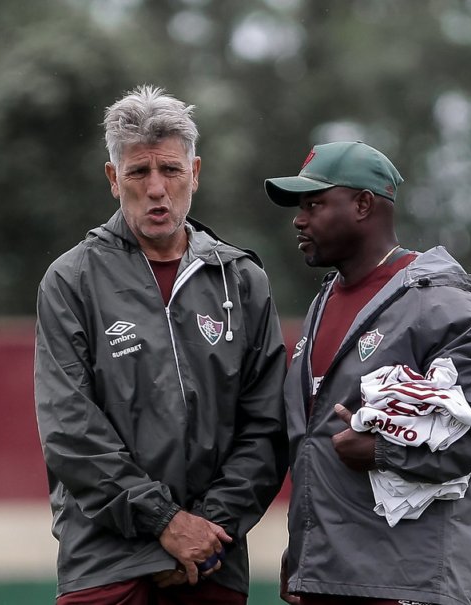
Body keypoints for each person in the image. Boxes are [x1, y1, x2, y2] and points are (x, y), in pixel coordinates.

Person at [34, 85, 288, 604]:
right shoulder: (70, 280)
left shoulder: (240, 281)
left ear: (195, 172)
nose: (157, 189)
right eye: (138, 172)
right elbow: (71, 432)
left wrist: (205, 533)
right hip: (105, 563)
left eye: (171, 171)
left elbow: (266, 426)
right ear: (113, 179)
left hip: (212, 561)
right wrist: (164, 524)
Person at [264, 141, 471, 605]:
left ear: (363, 204)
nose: (299, 220)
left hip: (407, 582)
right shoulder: (326, 300)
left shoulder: (437, 301)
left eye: (315, 204)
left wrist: (387, 450)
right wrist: (306, 553)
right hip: (332, 575)